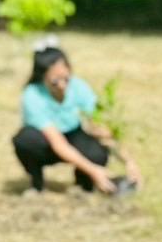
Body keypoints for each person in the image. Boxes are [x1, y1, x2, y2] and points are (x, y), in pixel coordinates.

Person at [11, 47, 142, 195]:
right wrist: (94, 171)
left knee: (98, 151)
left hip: (73, 133)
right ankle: (37, 184)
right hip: (46, 142)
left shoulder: (78, 87)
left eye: (65, 79)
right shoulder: (32, 95)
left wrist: (129, 161)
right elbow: (58, 143)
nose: (62, 86)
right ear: (42, 77)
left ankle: (83, 185)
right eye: (55, 82)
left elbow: (102, 127)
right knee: (25, 140)